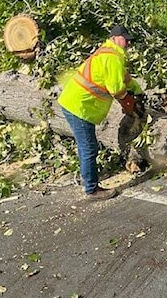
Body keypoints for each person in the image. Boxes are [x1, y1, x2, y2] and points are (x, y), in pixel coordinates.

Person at [57, 25, 142, 200]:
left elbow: (124, 78)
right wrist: (130, 104)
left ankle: (87, 179)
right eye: (126, 40)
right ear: (115, 38)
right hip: (80, 107)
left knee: (85, 146)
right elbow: (117, 89)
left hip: (75, 103)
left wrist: (138, 91)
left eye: (130, 41)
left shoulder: (109, 54)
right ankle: (91, 190)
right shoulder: (112, 57)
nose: (129, 44)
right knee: (89, 147)